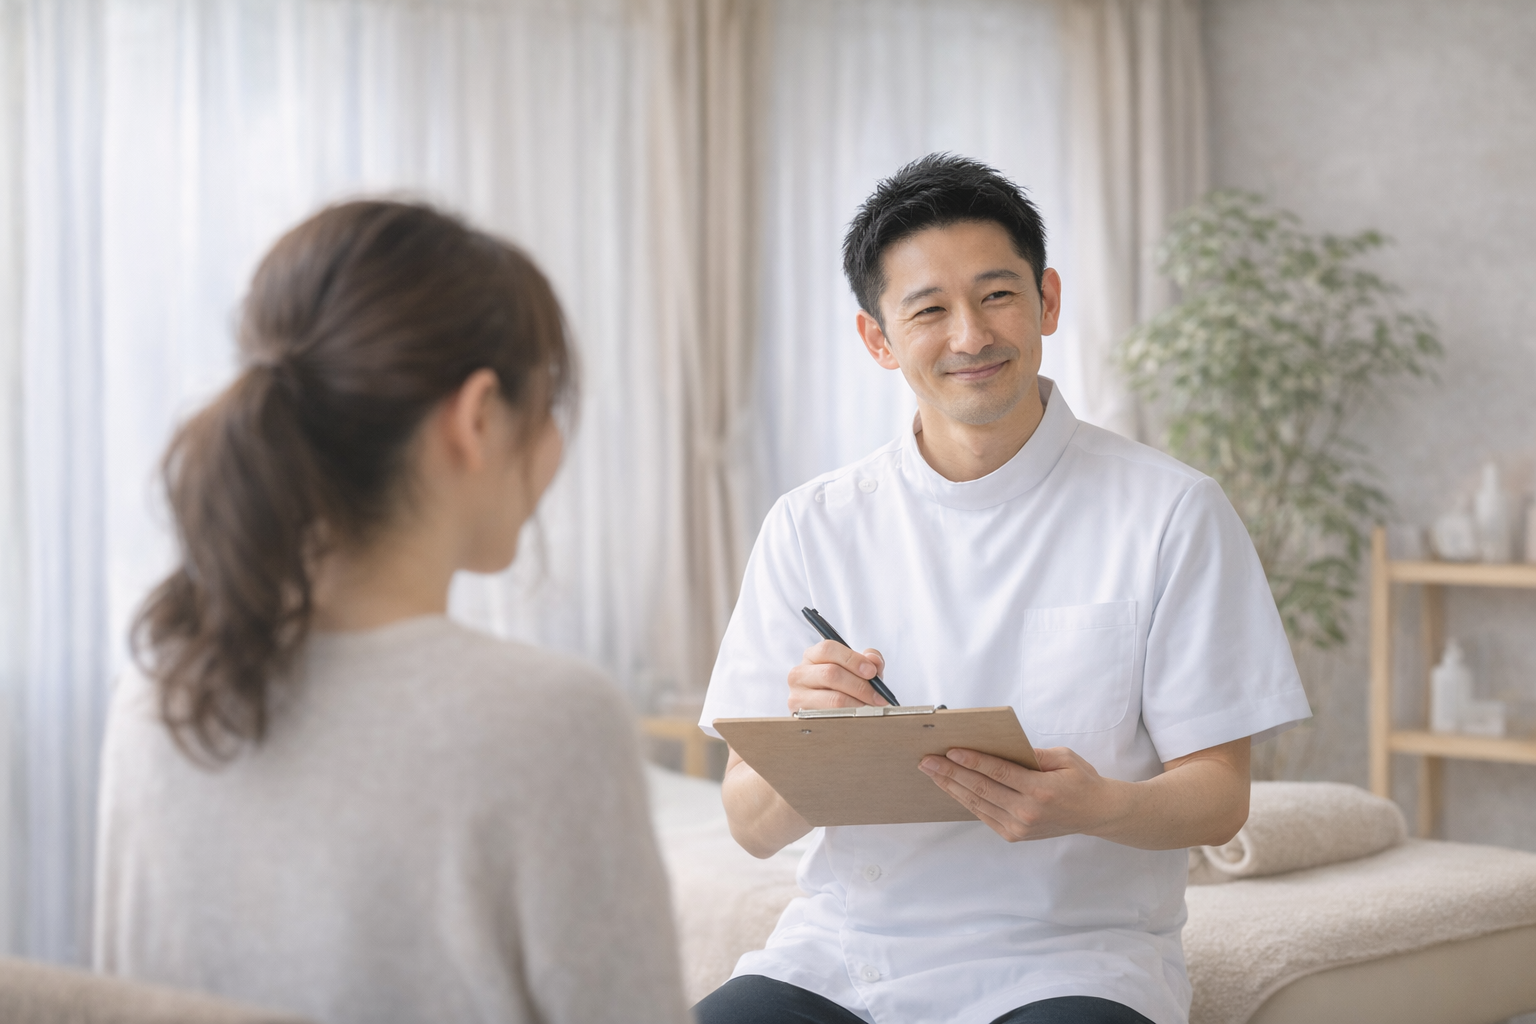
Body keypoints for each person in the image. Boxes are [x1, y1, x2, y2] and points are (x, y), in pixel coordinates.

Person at [692, 155, 1312, 1024]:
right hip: (847, 954)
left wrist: (1102, 804)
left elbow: (1219, 797)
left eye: (996, 296)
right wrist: (816, 745)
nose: (971, 337)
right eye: (929, 310)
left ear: (1048, 300)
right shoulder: (812, 525)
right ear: (878, 339)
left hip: (1075, 962)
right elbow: (751, 826)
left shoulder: (1171, 511)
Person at [94, 201, 688, 1024]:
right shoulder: (551, 720)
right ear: (477, 417)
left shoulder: (156, 695)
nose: (554, 447)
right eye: (548, 408)